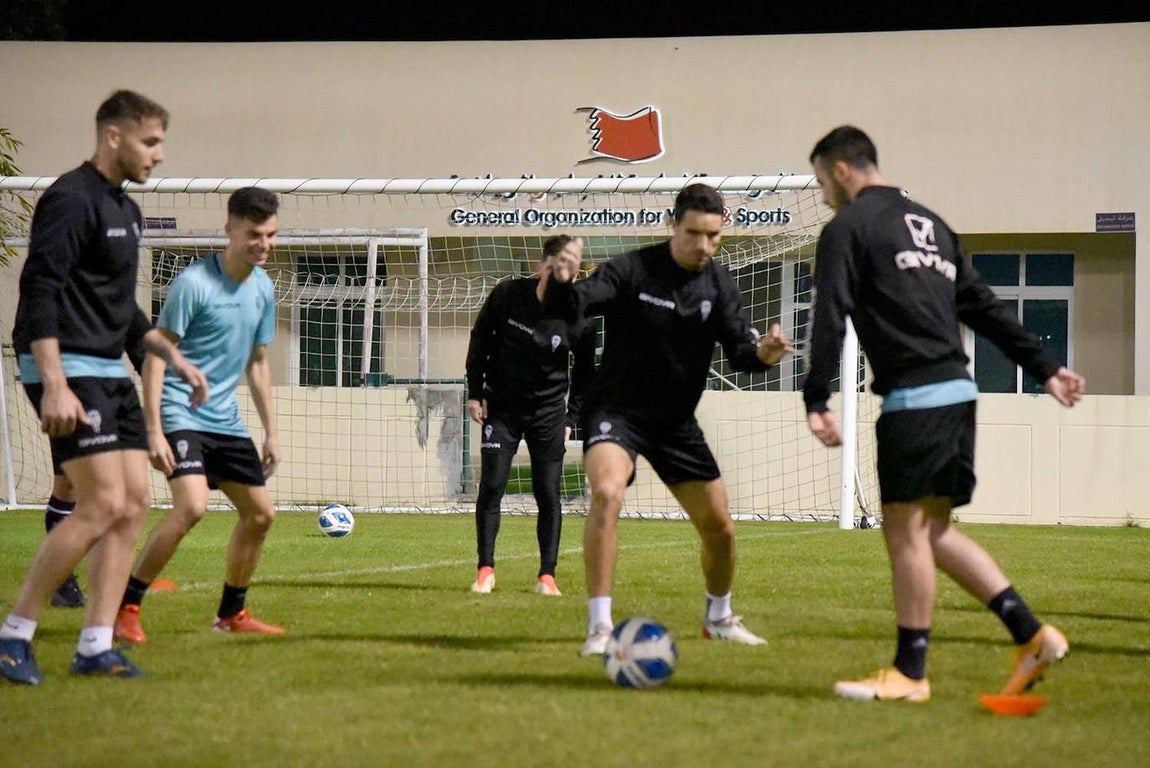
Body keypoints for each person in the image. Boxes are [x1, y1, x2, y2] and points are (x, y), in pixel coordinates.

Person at [803, 125, 1086, 702]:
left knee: (905, 534)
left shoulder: (848, 228)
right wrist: (1046, 367)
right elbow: (983, 306)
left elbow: (830, 313)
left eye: (821, 182)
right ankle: (1031, 636)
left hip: (915, 399)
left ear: (840, 171)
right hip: (958, 392)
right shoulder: (933, 225)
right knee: (932, 532)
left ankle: (910, 673)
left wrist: (815, 398)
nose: (824, 195)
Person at [0, 89, 209, 685]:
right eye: (151, 141)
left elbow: (121, 311)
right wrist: (55, 383)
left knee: (136, 502)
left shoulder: (127, 210)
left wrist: (173, 358)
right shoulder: (70, 198)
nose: (159, 154)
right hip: (65, 367)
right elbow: (40, 287)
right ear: (113, 136)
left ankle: (95, 646)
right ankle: (14, 636)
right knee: (102, 503)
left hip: (108, 368)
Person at [543, 183, 795, 656]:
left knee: (720, 529)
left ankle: (718, 617)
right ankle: (600, 629)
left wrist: (764, 353)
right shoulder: (631, 269)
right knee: (607, 492)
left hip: (676, 422)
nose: (704, 245)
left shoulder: (719, 285)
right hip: (616, 412)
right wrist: (562, 280)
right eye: (695, 234)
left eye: (713, 236)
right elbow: (574, 305)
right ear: (673, 224)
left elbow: (742, 353)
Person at [112, 186, 285, 645]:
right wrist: (153, 431)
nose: (263, 244)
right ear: (229, 229)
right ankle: (125, 608)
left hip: (224, 420)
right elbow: (155, 357)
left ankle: (232, 614)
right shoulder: (193, 284)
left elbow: (258, 361)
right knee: (191, 507)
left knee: (261, 515)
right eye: (254, 235)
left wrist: (271, 432)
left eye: (270, 235)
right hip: (179, 410)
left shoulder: (263, 287)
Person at [464, 234, 597, 597]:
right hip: (501, 408)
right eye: (558, 265)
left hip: (548, 414)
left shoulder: (580, 314)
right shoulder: (508, 295)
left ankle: (547, 576)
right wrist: (475, 392)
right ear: (542, 265)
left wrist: (571, 419)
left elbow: (585, 373)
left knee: (548, 492)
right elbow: (480, 339)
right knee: (492, 485)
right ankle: (485, 570)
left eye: (572, 269)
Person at [46, 342, 147, 609]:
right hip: (71, 381)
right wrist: (55, 384)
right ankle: (24, 617)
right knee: (86, 491)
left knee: (130, 497)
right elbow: (37, 323)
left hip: (109, 383)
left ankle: (101, 615)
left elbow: (133, 327)